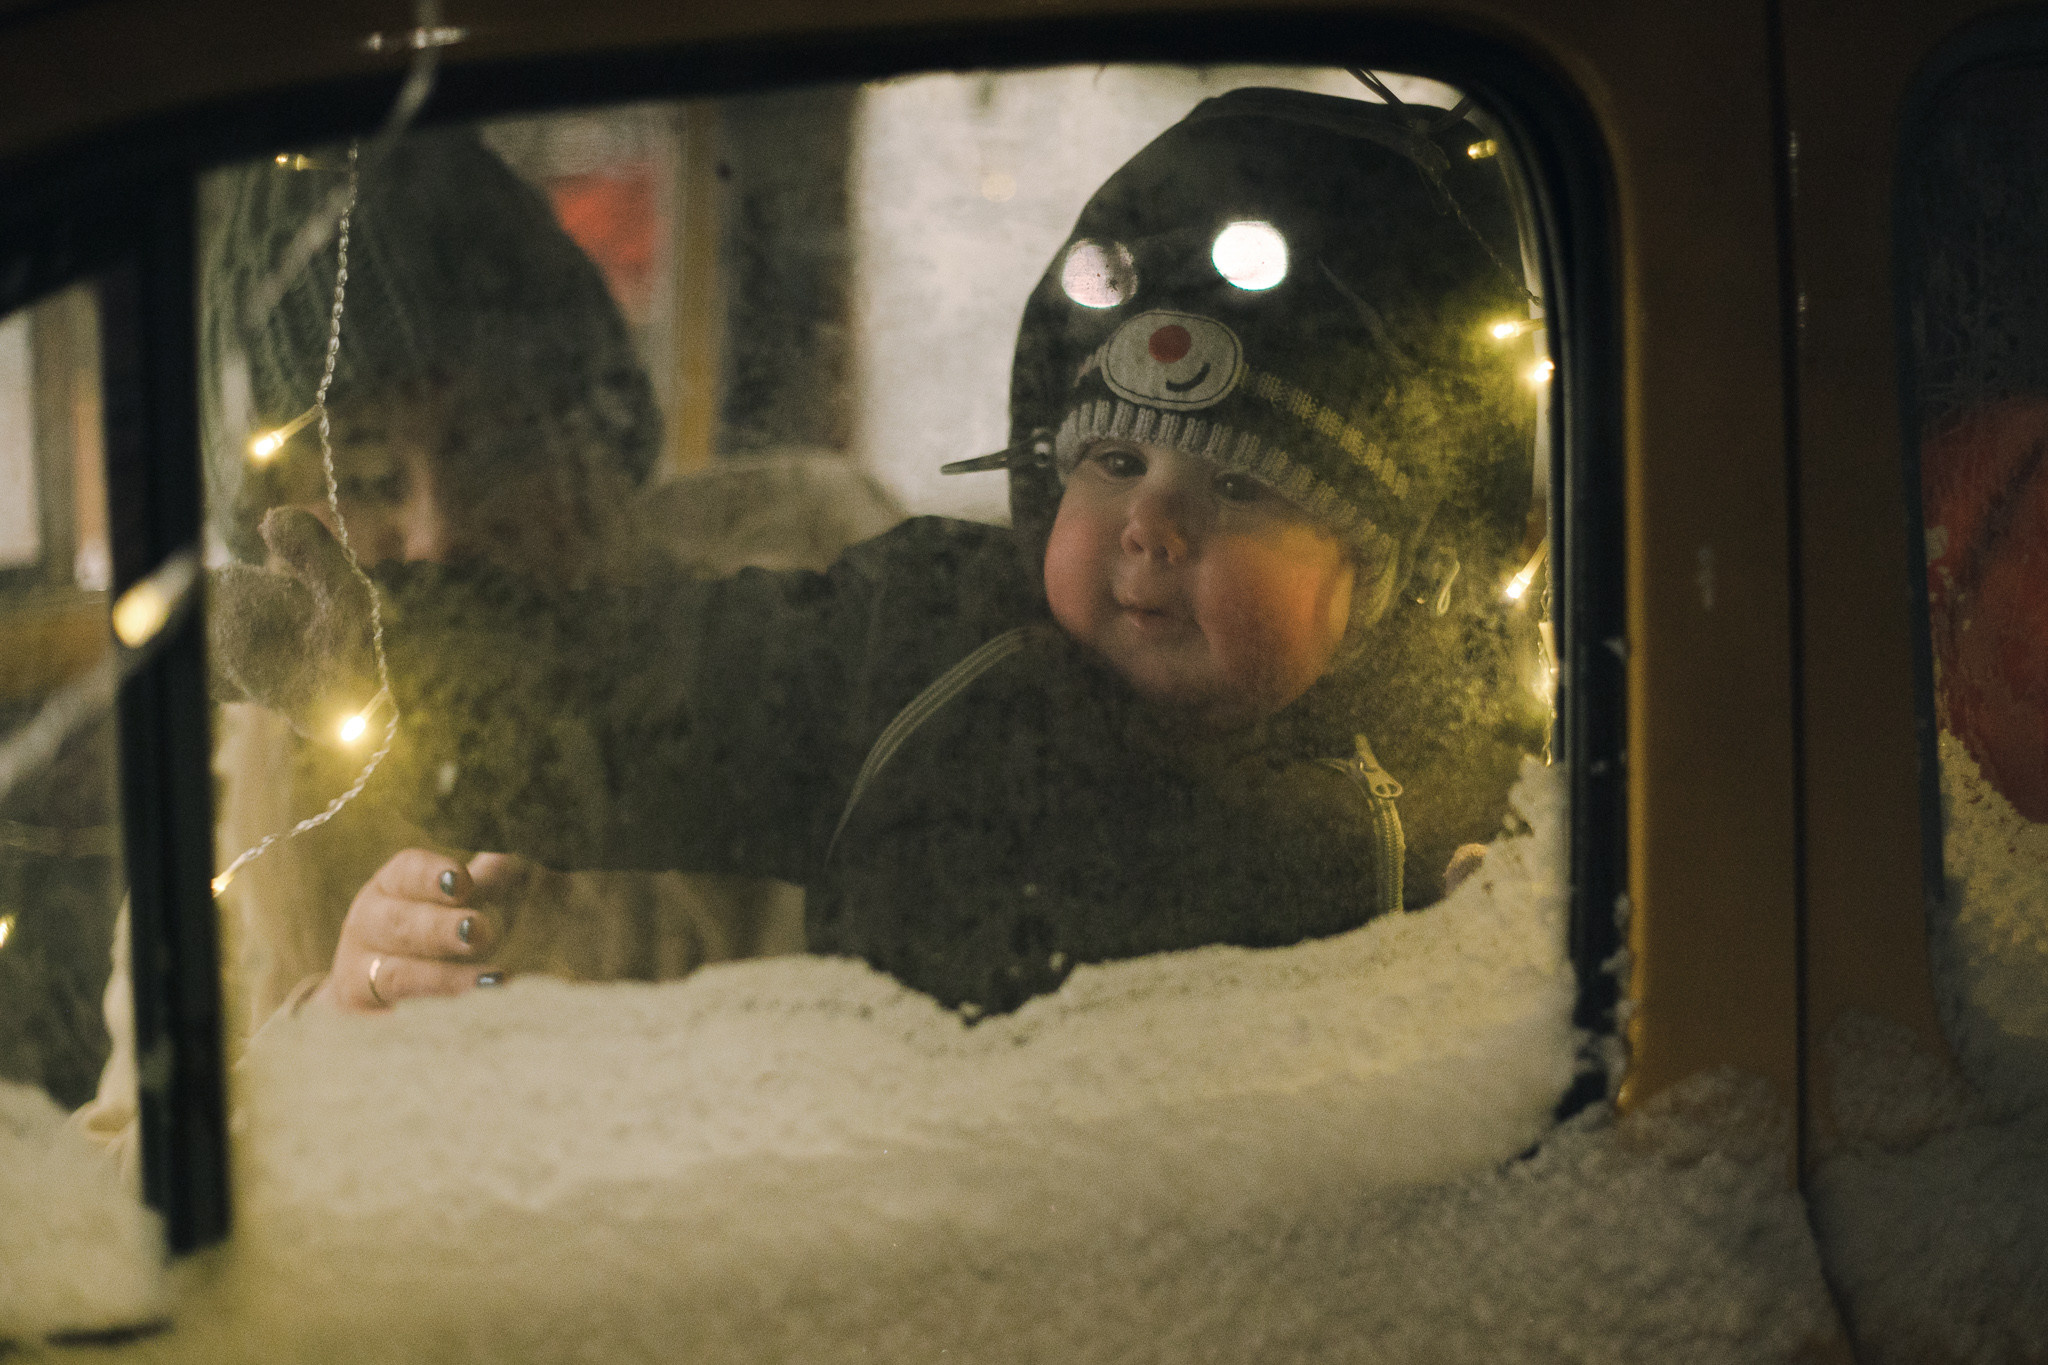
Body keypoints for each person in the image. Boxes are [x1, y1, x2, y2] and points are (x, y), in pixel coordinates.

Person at [215, 88, 1547, 1018]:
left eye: (1243, 487)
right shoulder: (915, 652)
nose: (1152, 525)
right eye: (1116, 464)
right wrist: (389, 683)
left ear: (1381, 578)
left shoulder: (1449, 771)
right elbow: (635, 701)